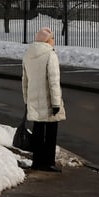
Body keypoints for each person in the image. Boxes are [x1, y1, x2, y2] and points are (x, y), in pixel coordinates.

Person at [22, 27, 66, 173]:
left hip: (34, 99)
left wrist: (26, 100)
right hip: (48, 100)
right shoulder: (50, 55)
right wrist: (55, 103)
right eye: (52, 38)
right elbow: (53, 81)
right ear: (47, 40)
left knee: (38, 131)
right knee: (51, 132)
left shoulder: (28, 54)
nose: (53, 41)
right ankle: (48, 162)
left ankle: (37, 161)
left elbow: (25, 80)